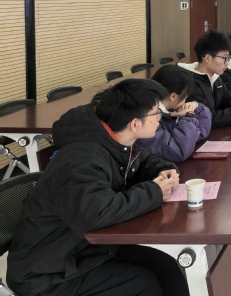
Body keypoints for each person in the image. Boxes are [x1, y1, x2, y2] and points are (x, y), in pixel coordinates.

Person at [7, 79, 190, 296]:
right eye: (156, 112)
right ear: (135, 123)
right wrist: (154, 192)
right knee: (143, 284)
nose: (161, 117)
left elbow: (140, 161)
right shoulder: (80, 160)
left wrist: (163, 169)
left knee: (166, 267)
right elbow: (97, 212)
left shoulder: (114, 140)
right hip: (46, 272)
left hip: (83, 248)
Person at [178, 30, 231, 127]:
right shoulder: (190, 83)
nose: (227, 63)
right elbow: (205, 117)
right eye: (224, 58)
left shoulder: (215, 77)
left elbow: (227, 98)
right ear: (208, 58)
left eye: (228, 58)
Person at [136, 65, 213, 163]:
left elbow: (200, 132)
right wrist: (188, 117)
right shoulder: (147, 117)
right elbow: (177, 151)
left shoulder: (168, 110)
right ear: (173, 96)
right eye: (185, 98)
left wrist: (195, 106)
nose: (185, 102)